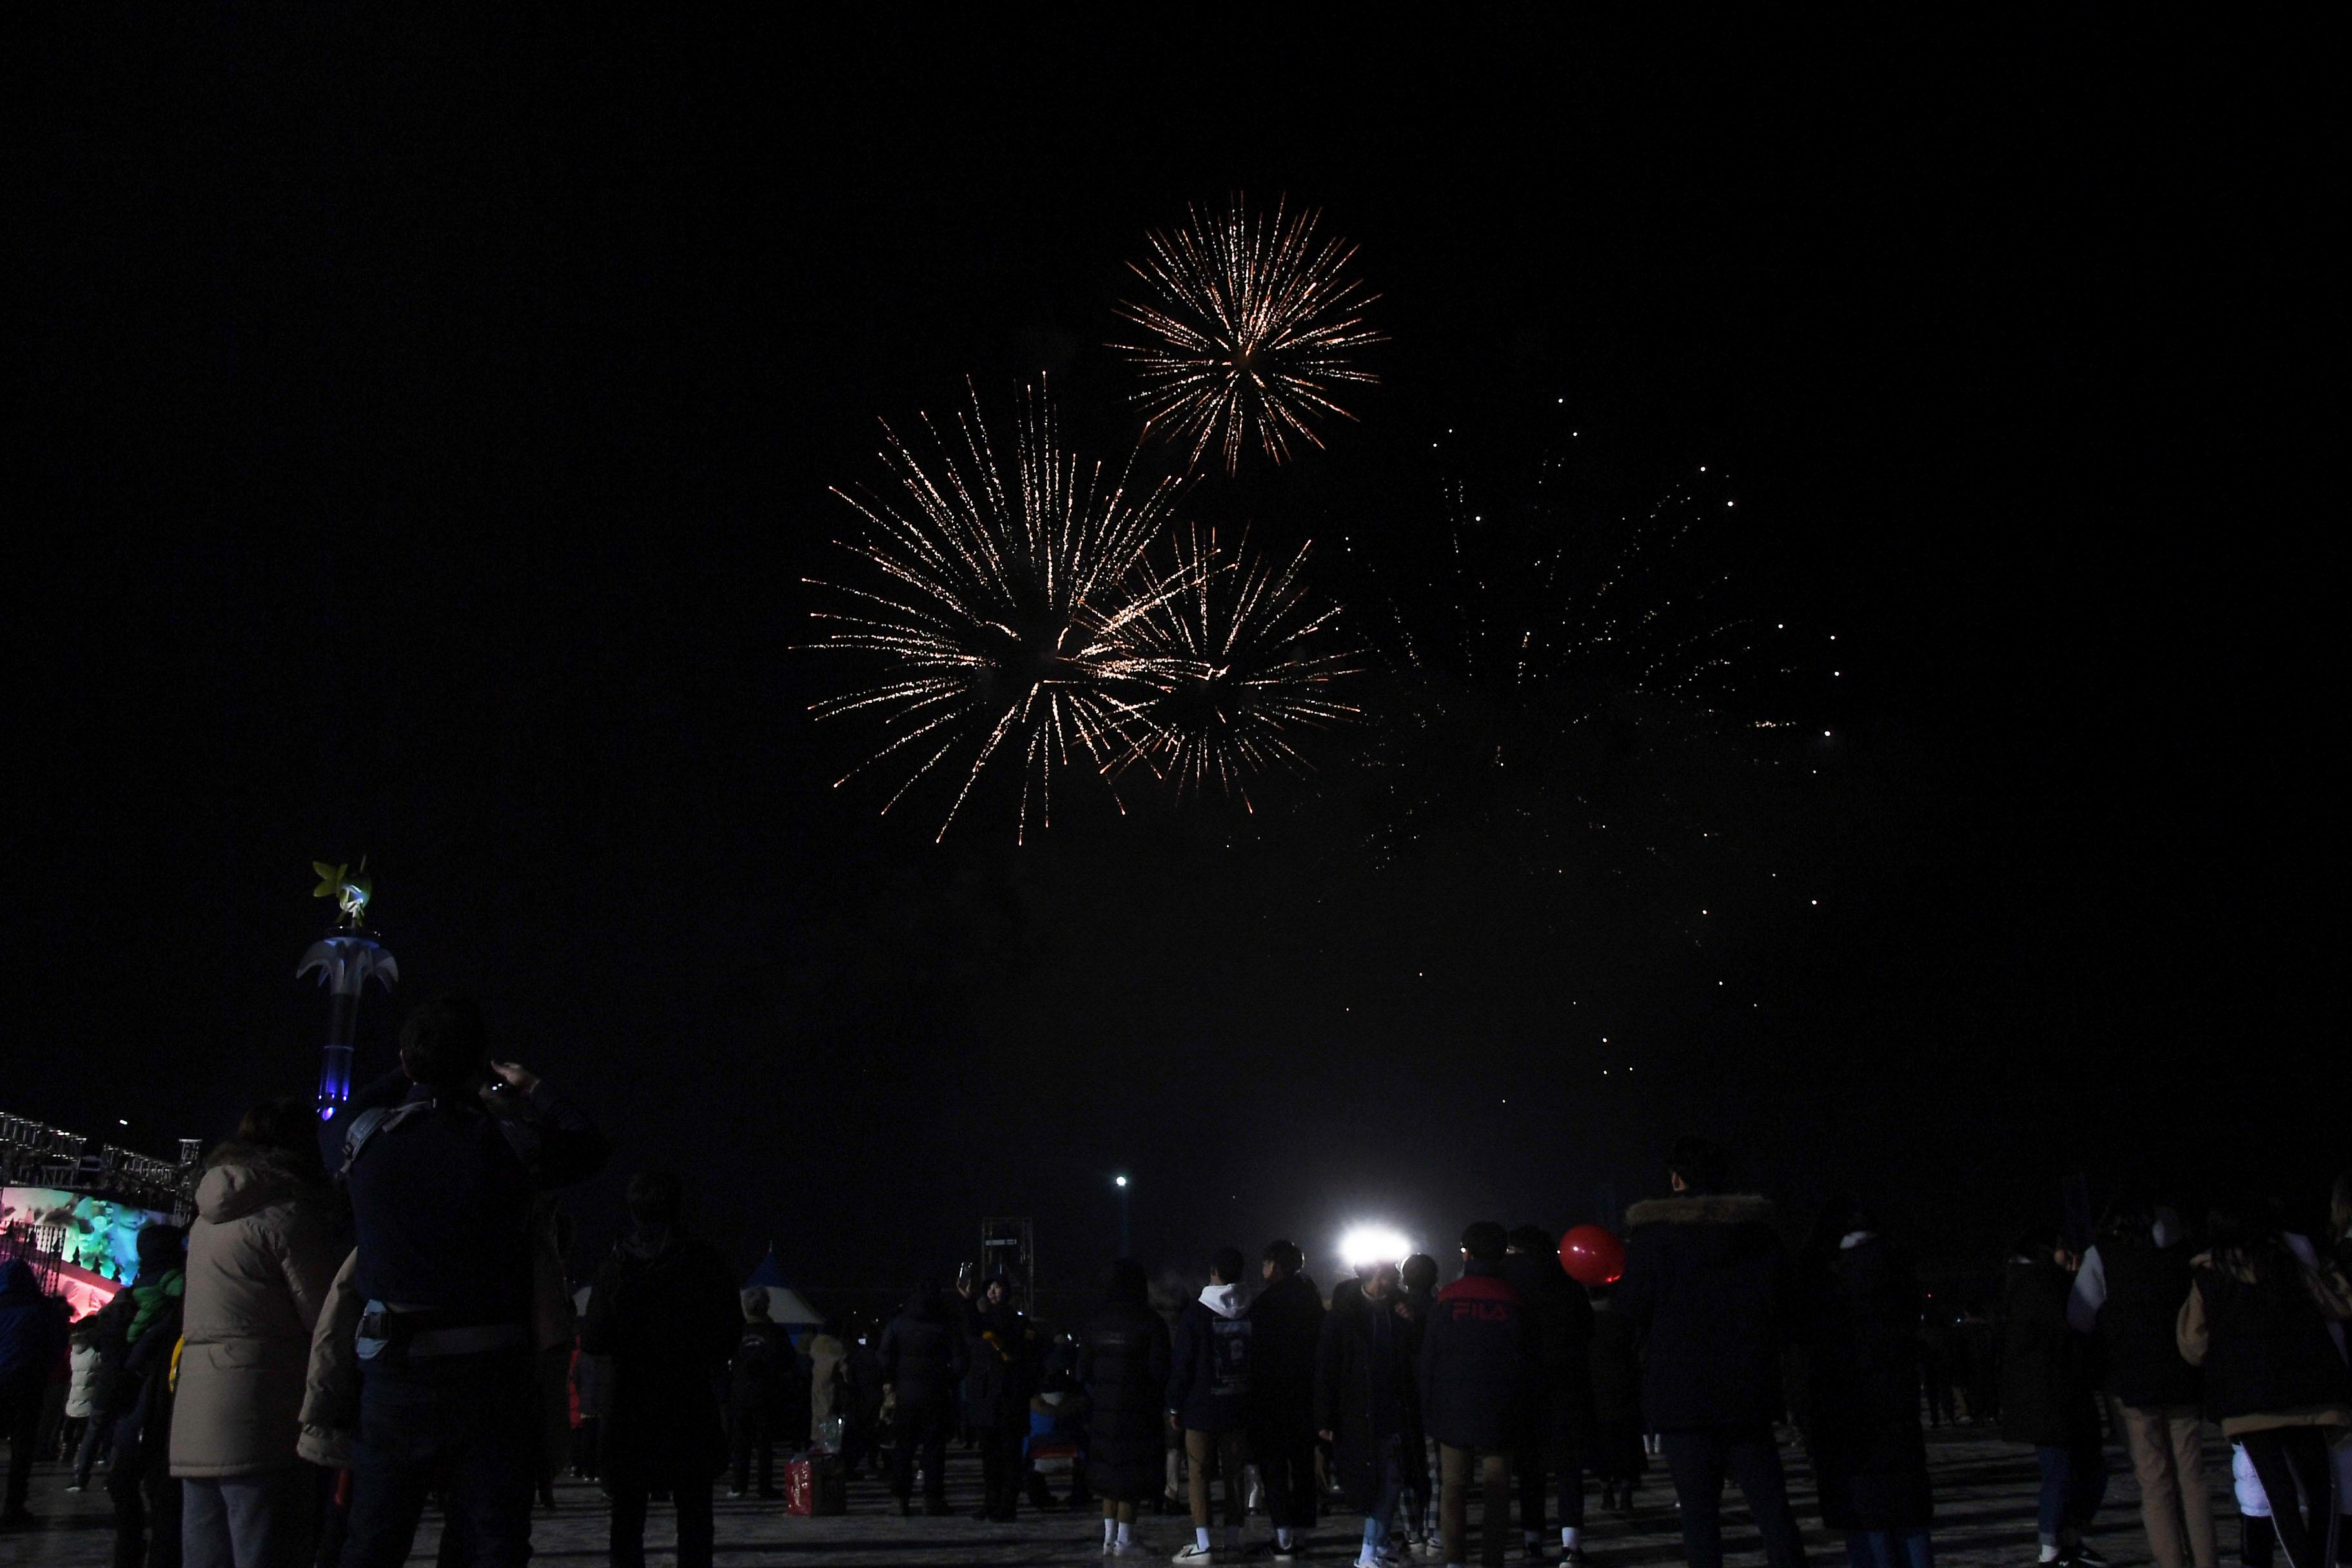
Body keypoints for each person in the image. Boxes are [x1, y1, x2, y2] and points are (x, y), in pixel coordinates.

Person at [333, 996, 607, 1568]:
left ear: (407, 1062)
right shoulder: (509, 1145)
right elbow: (588, 1146)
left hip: (394, 1366)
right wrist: (531, 1088)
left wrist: (415, 1067)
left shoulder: (366, 1140)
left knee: (375, 1540)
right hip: (493, 1373)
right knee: (493, 1540)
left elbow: (349, 1109)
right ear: (480, 1065)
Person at [170, 1095, 349, 1568]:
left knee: (205, 1551)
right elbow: (326, 1315)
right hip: (264, 1411)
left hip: (197, 1409)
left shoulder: (207, 1220)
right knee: (268, 1547)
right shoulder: (287, 1216)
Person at [1615, 1135, 1810, 1568]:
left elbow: (1631, 1308)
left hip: (1681, 1394)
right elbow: (1788, 1305)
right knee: (1772, 1509)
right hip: (1748, 1388)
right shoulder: (1757, 1235)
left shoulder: (1654, 1238)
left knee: (1700, 1518)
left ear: (1678, 1179)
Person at [2176, 1191, 2352, 1568]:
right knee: (2323, 1492)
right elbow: (2338, 1304)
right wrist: (2324, 1263)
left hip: (2247, 1402)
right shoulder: (2288, 1264)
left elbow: (2193, 1345)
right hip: (2308, 1395)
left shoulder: (2208, 1275)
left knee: (2278, 1497)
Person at [582, 1170, 740, 1568]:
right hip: (687, 1399)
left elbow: (596, 1338)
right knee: (695, 1515)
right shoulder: (705, 1262)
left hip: (632, 1401)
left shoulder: (616, 1267)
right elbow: (728, 1335)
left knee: (628, 1516)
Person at [2066, 1184, 2215, 1568]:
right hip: (2183, 1376)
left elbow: (2078, 1317)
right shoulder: (2182, 1251)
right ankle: (2206, 1561)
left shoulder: (2104, 1256)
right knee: (2193, 1477)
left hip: (2129, 1380)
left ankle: (2171, 1562)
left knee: (2155, 1481)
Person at [1798, 1197, 1934, 1568]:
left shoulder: (1824, 1277)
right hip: (1895, 1405)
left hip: (1845, 1412)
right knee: (1908, 1515)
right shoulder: (1896, 1268)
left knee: (1863, 1517)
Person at [1419, 1222, 1529, 1568]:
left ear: (1466, 1252)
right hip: (1502, 1406)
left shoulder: (1449, 1296)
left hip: (1453, 1406)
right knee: (1498, 1490)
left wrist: (1428, 1406)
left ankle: (1455, 1560)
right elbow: (1528, 1358)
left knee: (1453, 1489)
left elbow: (1430, 1357)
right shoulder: (1515, 1299)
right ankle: (1491, 1560)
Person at [2000, 1227, 2105, 1567]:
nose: (2068, 1255)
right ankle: (2053, 1550)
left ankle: (2064, 1542)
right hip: (2051, 1397)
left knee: (2081, 1470)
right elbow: (2071, 1329)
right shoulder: (2041, 1282)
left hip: (2053, 1395)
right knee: (2063, 1473)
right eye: (2062, 1248)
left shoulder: (2028, 1281)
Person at [97, 1222, 190, 1568]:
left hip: (132, 1394)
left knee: (127, 1477)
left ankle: (130, 1552)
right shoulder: (174, 1289)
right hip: (154, 1392)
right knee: (159, 1485)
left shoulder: (136, 1288)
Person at [1318, 1260, 1422, 1568]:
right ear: (1378, 1277)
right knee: (1379, 1481)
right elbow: (1326, 1367)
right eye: (1393, 1277)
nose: (1398, 1283)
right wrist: (1324, 1417)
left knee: (1391, 1479)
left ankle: (1375, 1545)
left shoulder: (1397, 1311)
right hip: (1358, 1411)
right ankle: (1370, 1549)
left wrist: (1412, 1322)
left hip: (1391, 1408)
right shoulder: (1343, 1317)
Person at [1505, 1223, 1596, 1563]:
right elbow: (1588, 1330)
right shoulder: (1568, 1281)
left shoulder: (1508, 1283)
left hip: (1524, 1387)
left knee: (1531, 1471)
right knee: (1568, 1470)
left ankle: (1532, 1541)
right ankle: (1571, 1545)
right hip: (1567, 1385)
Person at [1167, 1245, 1253, 1563]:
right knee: (1234, 1475)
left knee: (1200, 1475)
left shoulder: (1196, 1313)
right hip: (1238, 1406)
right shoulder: (1251, 1310)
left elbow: (1183, 1364)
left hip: (1201, 1408)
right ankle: (1234, 1538)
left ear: (1214, 1272)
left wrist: (1175, 1406)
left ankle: (1203, 1543)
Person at [1081, 1259, 1171, 1559]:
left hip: (1103, 1410)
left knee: (1108, 1473)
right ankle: (1126, 1538)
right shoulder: (1150, 1321)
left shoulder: (1096, 1322)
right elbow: (1160, 1370)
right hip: (1138, 1409)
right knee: (1132, 1476)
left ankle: (1108, 1539)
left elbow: (1083, 1369)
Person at [1248, 1239, 1326, 1561]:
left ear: (1275, 1266)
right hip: (1306, 1396)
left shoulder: (1266, 1304)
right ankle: (1304, 1531)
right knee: (1304, 1465)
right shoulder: (1312, 1300)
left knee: (1275, 1467)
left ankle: (1283, 1537)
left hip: (1272, 1398)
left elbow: (1256, 1354)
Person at [877, 1280, 966, 1516]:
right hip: (935, 1392)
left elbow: (885, 1355)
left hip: (906, 1394)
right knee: (934, 1449)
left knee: (904, 1448)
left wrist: (892, 1379)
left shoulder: (898, 1324)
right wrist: (949, 1379)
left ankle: (900, 1499)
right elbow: (959, 1359)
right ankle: (932, 1499)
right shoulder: (944, 1324)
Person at [962, 1271, 1042, 1523]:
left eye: (997, 1288)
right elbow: (972, 1327)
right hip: (986, 1397)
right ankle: (991, 1502)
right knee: (989, 1456)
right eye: (989, 1288)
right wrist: (968, 1301)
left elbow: (1026, 1351)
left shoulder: (1018, 1322)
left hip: (1009, 1396)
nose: (993, 1292)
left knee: (1009, 1454)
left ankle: (1007, 1505)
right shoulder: (982, 1320)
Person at [0, 1257, 70, 1530]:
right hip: (27, 1383)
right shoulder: (43, 1309)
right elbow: (56, 1345)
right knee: (22, 1448)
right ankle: (14, 1506)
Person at [1584, 1279, 1644, 1515]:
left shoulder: (1586, 1324)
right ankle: (1627, 1494)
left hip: (1596, 1395)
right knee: (1626, 1445)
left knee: (1603, 1447)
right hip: (1625, 1392)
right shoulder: (1624, 1322)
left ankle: (1607, 1491)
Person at [725, 1291, 791, 1500]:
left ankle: (739, 1485)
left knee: (741, 1442)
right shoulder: (775, 1332)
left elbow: (725, 1360)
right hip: (767, 1393)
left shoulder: (737, 1332)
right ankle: (764, 1487)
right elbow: (788, 1360)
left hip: (741, 1392)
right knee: (764, 1442)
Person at [1396, 1253, 1441, 1552]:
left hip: (1402, 1399)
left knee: (1407, 1469)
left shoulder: (1395, 1310)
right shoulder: (1441, 1308)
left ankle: (1412, 1533)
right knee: (1438, 1472)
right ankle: (1436, 1531)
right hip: (1436, 1399)